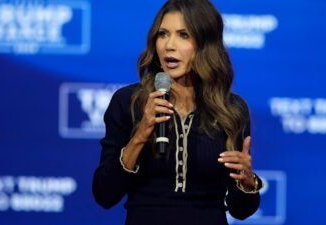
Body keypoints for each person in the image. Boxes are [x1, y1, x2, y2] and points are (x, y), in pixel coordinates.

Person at [92, 0, 264, 224]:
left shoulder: (231, 109)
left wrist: (247, 183)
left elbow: (241, 211)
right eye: (163, 34)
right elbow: (104, 194)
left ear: (205, 44)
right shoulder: (128, 102)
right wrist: (140, 136)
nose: (169, 45)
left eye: (183, 35)